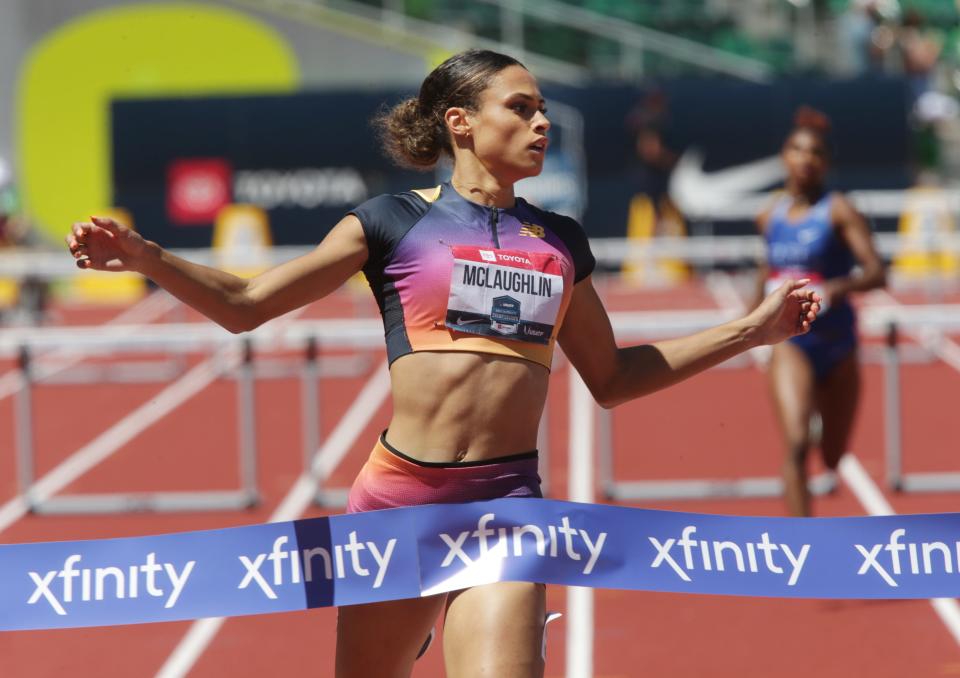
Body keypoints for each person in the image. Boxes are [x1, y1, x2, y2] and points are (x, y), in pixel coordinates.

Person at [67, 50, 819, 678]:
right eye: (520, 108)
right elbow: (247, 302)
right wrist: (145, 256)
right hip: (397, 505)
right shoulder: (391, 222)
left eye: (543, 110)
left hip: (505, 510)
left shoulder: (559, 241)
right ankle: (417, 623)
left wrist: (751, 331)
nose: (541, 122)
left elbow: (614, 379)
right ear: (460, 123)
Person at [753, 106, 885, 518]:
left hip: (838, 345)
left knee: (833, 456)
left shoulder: (839, 209)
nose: (805, 159)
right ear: (784, 156)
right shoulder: (769, 215)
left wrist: (836, 288)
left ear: (825, 162)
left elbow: (878, 272)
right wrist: (746, 326)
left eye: (814, 152)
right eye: (797, 149)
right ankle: (803, 546)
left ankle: (824, 428)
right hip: (793, 344)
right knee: (795, 445)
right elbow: (767, 272)